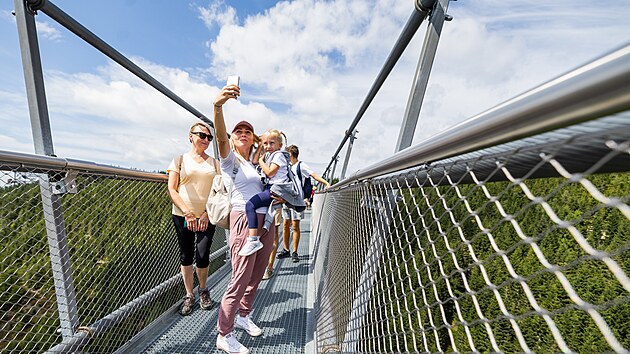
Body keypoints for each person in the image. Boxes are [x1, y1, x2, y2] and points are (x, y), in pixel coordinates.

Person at [213, 83, 278, 354]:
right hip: (243, 220)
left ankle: (243, 316)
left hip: (265, 223)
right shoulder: (231, 161)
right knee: (239, 277)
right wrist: (218, 107)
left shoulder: (255, 163)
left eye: (247, 132)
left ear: (254, 139)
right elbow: (220, 139)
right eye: (238, 131)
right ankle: (224, 333)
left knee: (256, 274)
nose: (242, 134)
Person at [166, 122, 219, 315]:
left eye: (209, 137)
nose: (206, 139)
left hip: (207, 215)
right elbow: (172, 189)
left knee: (203, 254)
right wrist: (188, 213)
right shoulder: (179, 160)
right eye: (202, 135)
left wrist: (206, 212)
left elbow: (219, 190)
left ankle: (203, 288)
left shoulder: (215, 163)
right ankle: (189, 294)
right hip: (182, 215)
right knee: (186, 255)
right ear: (191, 136)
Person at [238, 129, 291, 257]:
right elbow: (255, 161)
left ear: (280, 145)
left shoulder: (278, 155)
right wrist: (261, 146)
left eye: (271, 143)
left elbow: (270, 172)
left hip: (275, 188)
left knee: (250, 205)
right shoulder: (270, 155)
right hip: (271, 188)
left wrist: (262, 161)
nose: (268, 146)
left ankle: (253, 240)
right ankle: (267, 244)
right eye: (265, 143)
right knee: (263, 212)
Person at [277, 145, 330, 263]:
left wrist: (326, 182)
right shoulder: (285, 166)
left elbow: (313, 175)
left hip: (297, 200)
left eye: (287, 154)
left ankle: (295, 251)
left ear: (290, 154)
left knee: (295, 226)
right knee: (286, 224)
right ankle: (286, 249)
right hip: (285, 199)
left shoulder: (301, 165)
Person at [262, 209, 283, 280]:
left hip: (274, 206)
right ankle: (260, 265)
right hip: (259, 207)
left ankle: (269, 267)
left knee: (274, 234)